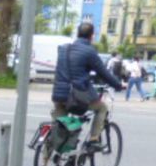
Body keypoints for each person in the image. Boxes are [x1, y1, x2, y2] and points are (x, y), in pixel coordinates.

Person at [51, 22, 124, 151]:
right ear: (91, 36)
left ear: (77, 34)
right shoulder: (89, 51)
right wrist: (118, 85)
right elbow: (103, 72)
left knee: (57, 128)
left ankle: (44, 164)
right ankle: (94, 140)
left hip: (58, 94)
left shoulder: (63, 49)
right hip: (75, 97)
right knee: (102, 107)